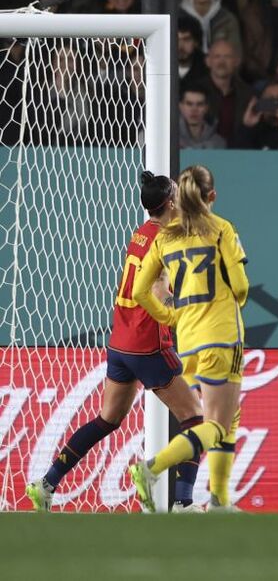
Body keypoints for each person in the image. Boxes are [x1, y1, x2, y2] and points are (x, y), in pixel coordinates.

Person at [25, 172, 204, 513]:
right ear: (169, 203)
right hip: (146, 342)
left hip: (120, 341)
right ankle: (183, 502)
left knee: (108, 418)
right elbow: (156, 290)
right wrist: (182, 308)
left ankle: (46, 483)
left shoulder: (141, 234)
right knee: (195, 417)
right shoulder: (167, 239)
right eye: (178, 195)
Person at [128, 165, 249, 513]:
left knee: (230, 414)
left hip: (189, 338)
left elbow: (140, 290)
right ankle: (152, 468)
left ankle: (219, 500)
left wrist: (169, 315)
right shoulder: (220, 228)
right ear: (211, 196)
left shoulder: (166, 238)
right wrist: (232, 297)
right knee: (215, 424)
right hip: (222, 335)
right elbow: (240, 287)